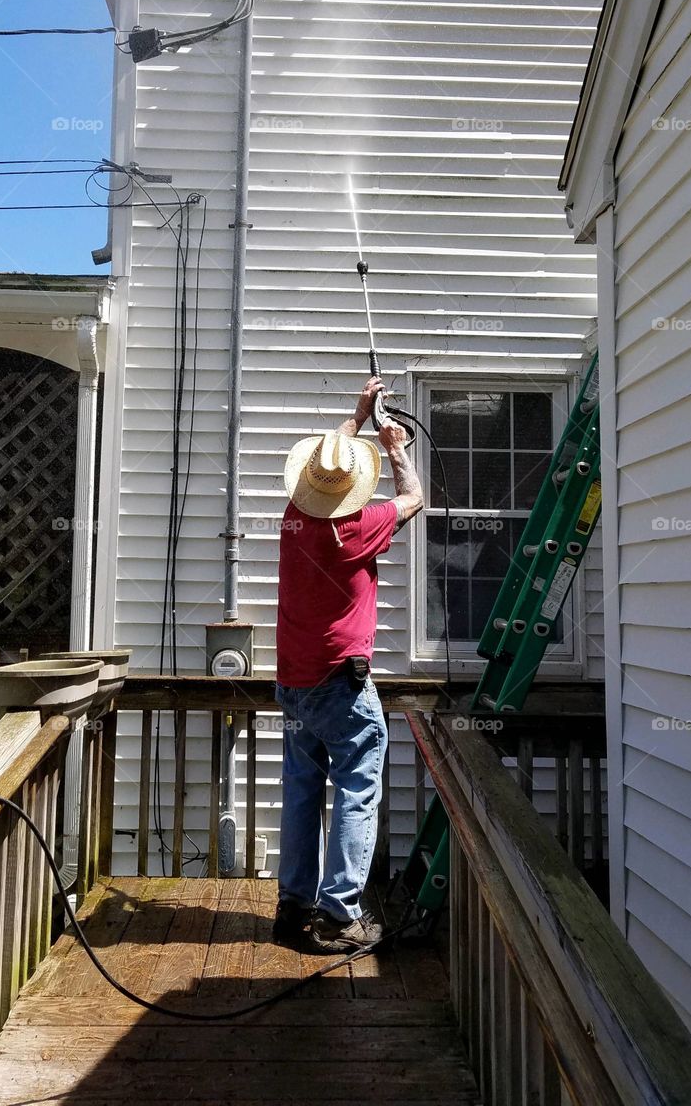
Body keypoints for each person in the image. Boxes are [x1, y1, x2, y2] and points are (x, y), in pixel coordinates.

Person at [272, 376, 423, 953]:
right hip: (339, 682)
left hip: (294, 682)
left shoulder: (294, 517)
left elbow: (326, 467)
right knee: (358, 787)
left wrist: (358, 417)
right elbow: (413, 499)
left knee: (302, 788)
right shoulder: (356, 528)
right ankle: (338, 916)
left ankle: (293, 908)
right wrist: (396, 449)